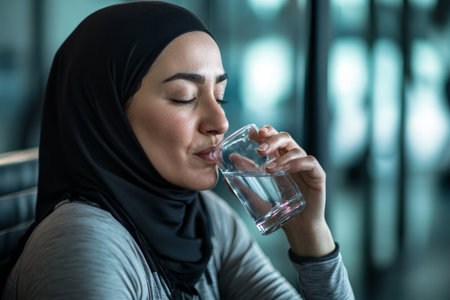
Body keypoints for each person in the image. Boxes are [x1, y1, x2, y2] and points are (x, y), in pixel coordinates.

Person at [1, 1, 354, 299]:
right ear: (109, 116)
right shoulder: (81, 245)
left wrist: (310, 234)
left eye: (221, 96)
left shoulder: (205, 219)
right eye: (184, 97)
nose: (221, 121)